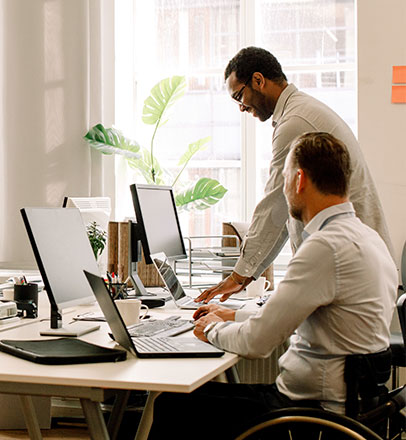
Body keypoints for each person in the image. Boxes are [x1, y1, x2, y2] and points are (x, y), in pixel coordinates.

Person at [148, 132, 398, 439]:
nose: (283, 187)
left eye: (283, 177)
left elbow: (256, 343)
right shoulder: (367, 238)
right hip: (348, 408)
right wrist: (231, 316)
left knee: (173, 406)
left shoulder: (325, 247)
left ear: (299, 179)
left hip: (307, 417)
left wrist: (210, 328)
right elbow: (299, 318)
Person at [196, 46, 392, 304]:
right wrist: (244, 275)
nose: (241, 108)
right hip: (353, 264)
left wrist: (239, 276)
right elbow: (284, 209)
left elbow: (275, 205)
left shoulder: (295, 122)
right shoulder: (299, 111)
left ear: (258, 80)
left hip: (349, 268)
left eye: (239, 97)